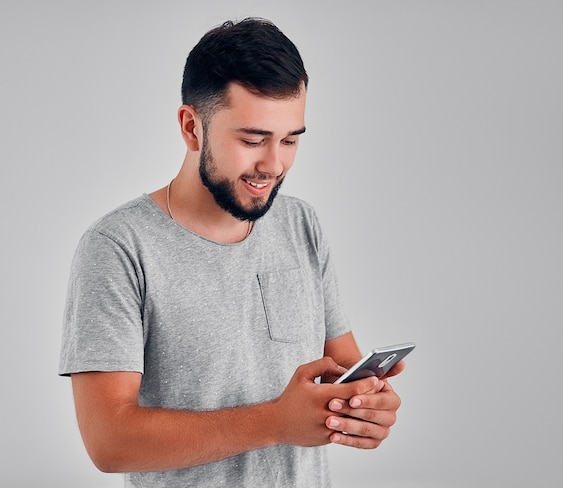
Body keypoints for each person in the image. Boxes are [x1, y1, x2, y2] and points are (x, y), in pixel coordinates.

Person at [59, 17, 405, 487]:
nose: (273, 164)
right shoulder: (118, 248)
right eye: (252, 139)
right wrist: (276, 422)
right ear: (191, 127)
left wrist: (365, 405)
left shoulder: (301, 224)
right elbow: (110, 442)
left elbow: (341, 365)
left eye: (289, 140)